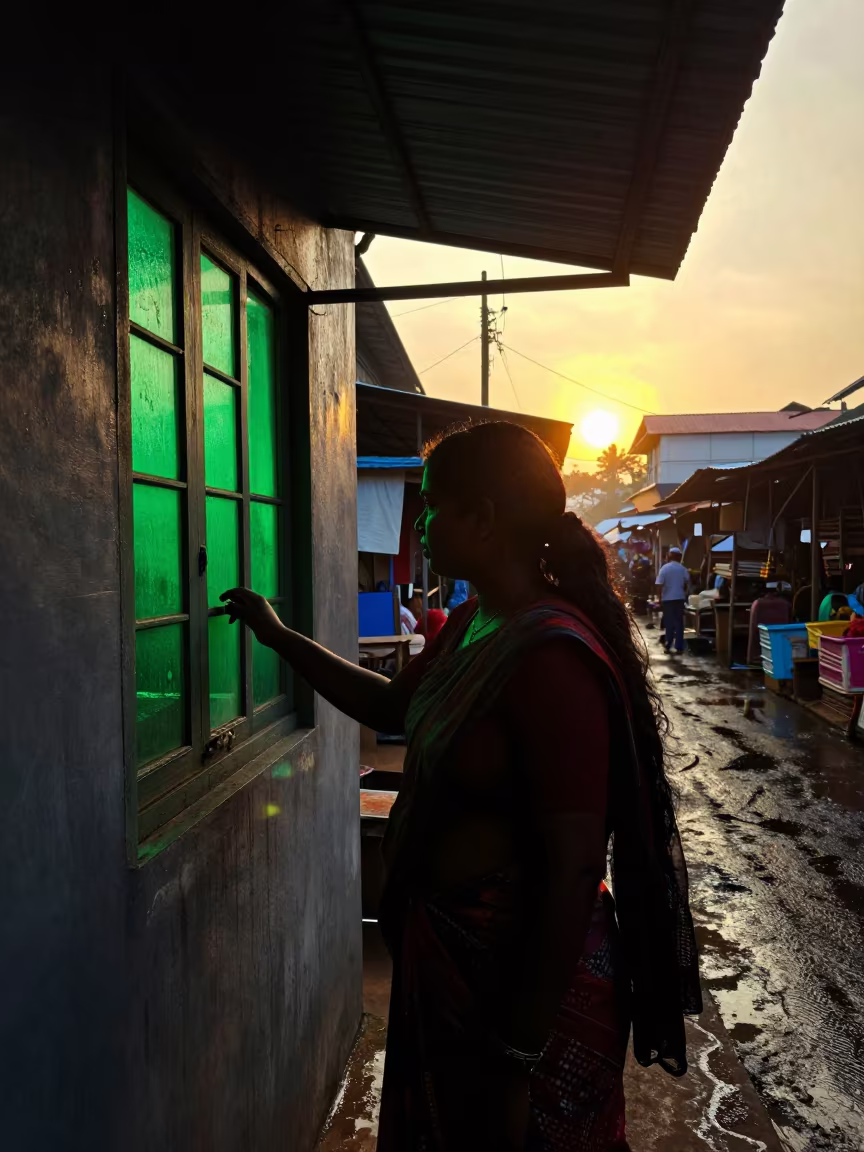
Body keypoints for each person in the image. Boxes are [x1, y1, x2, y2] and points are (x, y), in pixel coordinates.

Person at [221, 421, 701, 1151]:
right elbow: (390, 705)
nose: (420, 522)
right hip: (451, 969)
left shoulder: (550, 657)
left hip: (518, 998)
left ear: (483, 519)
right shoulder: (476, 623)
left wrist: (517, 1051)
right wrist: (279, 635)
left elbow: (571, 871)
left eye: (432, 504)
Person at [655, 546, 690, 655]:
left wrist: (659, 599)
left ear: (670, 556)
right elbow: (688, 583)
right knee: (679, 623)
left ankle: (668, 646)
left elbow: (659, 585)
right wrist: (685, 593)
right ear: (679, 557)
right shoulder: (682, 569)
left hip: (668, 599)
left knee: (669, 623)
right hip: (679, 598)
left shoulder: (664, 568)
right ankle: (679, 647)